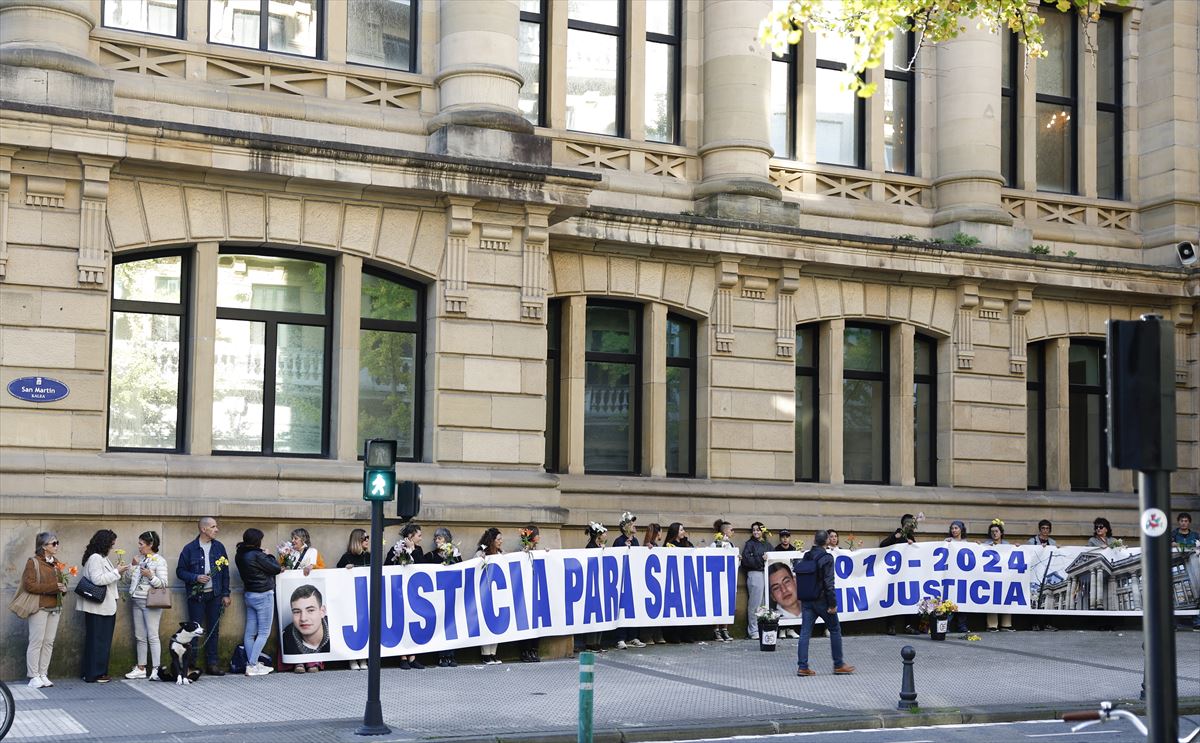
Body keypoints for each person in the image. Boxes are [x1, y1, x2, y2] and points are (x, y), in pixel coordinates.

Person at [795, 530, 854, 677]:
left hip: (807, 599)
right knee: (834, 629)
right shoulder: (827, 557)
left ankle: (803, 666)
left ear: (814, 540)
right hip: (822, 600)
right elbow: (829, 583)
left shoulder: (807, 555)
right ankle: (838, 664)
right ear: (827, 541)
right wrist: (832, 604)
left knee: (805, 633)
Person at [176, 516, 231, 676]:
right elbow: (180, 571)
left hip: (215, 595)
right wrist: (195, 577)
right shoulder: (190, 549)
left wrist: (226, 594)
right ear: (203, 529)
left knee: (214, 630)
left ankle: (212, 664)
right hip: (197, 596)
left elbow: (225, 573)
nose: (217, 529)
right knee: (193, 631)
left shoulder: (219, 547)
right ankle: (190, 664)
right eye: (213, 527)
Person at [78, 529, 129, 683]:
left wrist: (118, 571)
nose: (112, 547)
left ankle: (95, 671)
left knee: (101, 640)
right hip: (98, 607)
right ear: (104, 543)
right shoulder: (95, 558)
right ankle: (95, 673)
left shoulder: (102, 558)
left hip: (104, 606)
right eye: (111, 544)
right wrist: (116, 571)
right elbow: (98, 580)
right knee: (98, 641)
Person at [22, 532, 67, 689]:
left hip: (55, 607)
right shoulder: (33, 562)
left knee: (48, 642)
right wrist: (53, 587)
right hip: (40, 606)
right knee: (36, 641)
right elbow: (29, 585)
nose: (56, 546)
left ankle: (43, 673)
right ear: (43, 546)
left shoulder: (56, 563)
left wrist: (63, 588)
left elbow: (61, 584)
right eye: (53, 543)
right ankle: (33, 675)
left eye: (57, 543)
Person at [235, 528, 282, 677]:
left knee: (250, 633)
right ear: (257, 541)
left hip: (249, 595)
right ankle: (252, 664)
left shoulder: (240, 554)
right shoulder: (257, 555)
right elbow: (276, 568)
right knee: (263, 632)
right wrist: (268, 554)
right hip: (263, 595)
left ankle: (252, 663)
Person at [124, 530, 169, 680]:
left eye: (141, 544)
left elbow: (163, 584)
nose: (139, 547)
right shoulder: (139, 558)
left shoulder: (159, 561)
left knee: (152, 635)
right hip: (136, 599)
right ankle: (141, 667)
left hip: (151, 602)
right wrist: (132, 566)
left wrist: (150, 576)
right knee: (140, 636)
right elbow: (127, 580)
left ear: (151, 544)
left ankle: (156, 669)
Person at [280, 527, 322, 672]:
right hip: (292, 593)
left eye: (296, 538)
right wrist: (283, 563)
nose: (293, 541)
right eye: (292, 538)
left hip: (308, 593)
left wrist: (313, 568)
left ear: (303, 539)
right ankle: (298, 662)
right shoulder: (288, 553)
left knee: (311, 629)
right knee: (296, 627)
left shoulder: (313, 552)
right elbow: (282, 569)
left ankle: (312, 661)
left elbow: (321, 570)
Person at [425, 527, 463, 666]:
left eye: (439, 538)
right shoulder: (431, 556)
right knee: (440, 625)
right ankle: (442, 655)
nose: (436, 541)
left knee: (451, 624)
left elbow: (462, 570)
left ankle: (451, 655)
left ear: (447, 540)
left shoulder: (455, 555)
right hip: (437, 596)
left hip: (452, 595)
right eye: (435, 538)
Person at [881, 514, 919, 636]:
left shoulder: (911, 537)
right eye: (909, 524)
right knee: (893, 600)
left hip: (907, 574)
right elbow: (883, 546)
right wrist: (895, 537)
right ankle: (890, 626)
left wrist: (911, 544)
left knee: (908, 600)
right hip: (894, 575)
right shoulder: (897, 534)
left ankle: (908, 626)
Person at [476, 528, 505, 664]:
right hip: (485, 593)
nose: (500, 541)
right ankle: (485, 654)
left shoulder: (501, 553)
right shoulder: (481, 553)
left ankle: (493, 653)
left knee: (497, 622)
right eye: (498, 539)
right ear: (491, 541)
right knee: (486, 622)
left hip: (498, 592)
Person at [980, 520, 1014, 632]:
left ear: (1001, 533)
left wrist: (1017, 548)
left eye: (996, 531)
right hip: (991, 576)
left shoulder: (1007, 545)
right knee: (992, 598)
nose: (994, 533)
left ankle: (1006, 624)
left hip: (1004, 576)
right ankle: (992, 625)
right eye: (992, 532)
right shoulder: (986, 545)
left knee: (1006, 598)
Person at [1170, 513, 1200, 631]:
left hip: (1193, 566)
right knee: (1172, 594)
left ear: (1189, 522)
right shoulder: (1173, 534)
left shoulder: (1195, 535)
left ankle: (1197, 622)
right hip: (1174, 566)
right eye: (1181, 521)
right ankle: (1173, 624)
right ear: (1179, 522)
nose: (1183, 523)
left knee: (1196, 593)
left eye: (1186, 521)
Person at [282, 584, 330, 656]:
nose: (303, 618)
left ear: (322, 611)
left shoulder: (338, 631)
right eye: (297, 612)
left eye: (310, 610)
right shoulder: (285, 639)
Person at [742, 522, 771, 640]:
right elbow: (746, 560)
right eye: (754, 530)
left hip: (765, 574)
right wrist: (760, 559)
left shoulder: (767, 544)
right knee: (755, 603)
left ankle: (762, 627)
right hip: (755, 573)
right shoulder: (749, 544)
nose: (756, 532)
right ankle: (753, 629)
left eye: (758, 530)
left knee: (764, 602)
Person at [639, 523, 666, 646]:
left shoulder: (656, 546)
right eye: (660, 532)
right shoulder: (648, 547)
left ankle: (656, 633)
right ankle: (646, 634)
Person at [944, 520, 972, 635]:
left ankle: (962, 625)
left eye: (956, 528)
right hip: (951, 575)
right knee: (950, 600)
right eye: (952, 528)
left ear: (961, 529)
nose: (954, 530)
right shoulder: (947, 542)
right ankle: (946, 625)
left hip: (962, 576)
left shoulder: (966, 543)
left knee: (962, 601)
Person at [709, 519, 735, 642]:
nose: (732, 532)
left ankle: (725, 629)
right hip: (717, 581)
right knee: (717, 605)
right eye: (731, 530)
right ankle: (716, 630)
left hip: (728, 580)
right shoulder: (715, 544)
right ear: (725, 531)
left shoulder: (731, 545)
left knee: (727, 605)